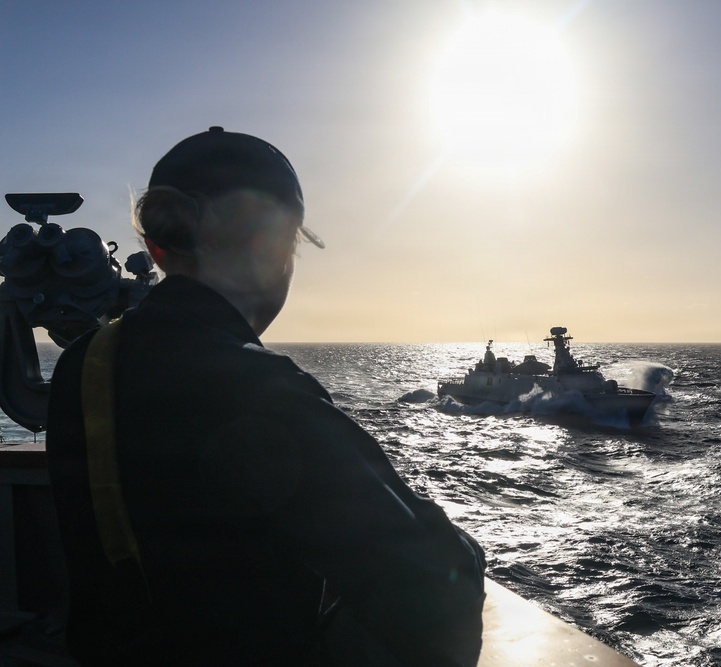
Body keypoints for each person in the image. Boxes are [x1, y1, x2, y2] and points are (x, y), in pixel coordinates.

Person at [46, 127, 486, 666]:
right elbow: (435, 590)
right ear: (278, 248)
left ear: (156, 246)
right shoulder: (258, 387)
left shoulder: (81, 366)